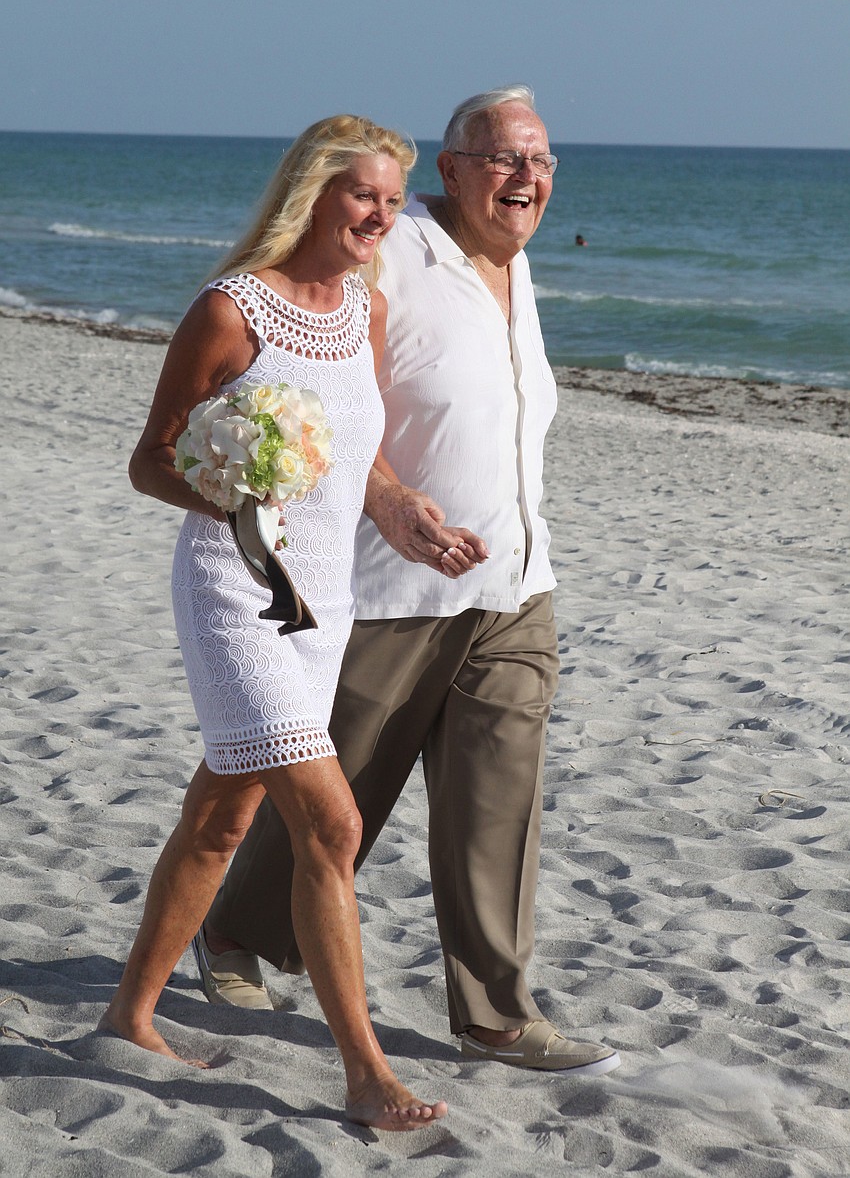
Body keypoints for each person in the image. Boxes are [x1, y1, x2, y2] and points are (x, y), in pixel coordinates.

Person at [201, 87, 621, 1076]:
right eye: (506, 159)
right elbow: (310, 394)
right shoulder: (391, 256)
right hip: (386, 589)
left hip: (516, 586)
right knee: (345, 784)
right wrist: (387, 497)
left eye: (543, 161)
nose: (528, 178)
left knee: (495, 802)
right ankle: (240, 933)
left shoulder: (517, 274)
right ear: (452, 167)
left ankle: (494, 1012)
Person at [98, 115, 449, 1131]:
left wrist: (404, 511)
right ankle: (364, 1070)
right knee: (330, 825)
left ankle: (128, 1010)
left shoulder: (363, 311)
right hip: (235, 591)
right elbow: (150, 459)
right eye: (361, 195)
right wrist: (241, 494)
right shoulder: (229, 310)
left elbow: (360, 454)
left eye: (391, 199)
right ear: (311, 193)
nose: (379, 214)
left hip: (323, 604)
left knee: (223, 818)